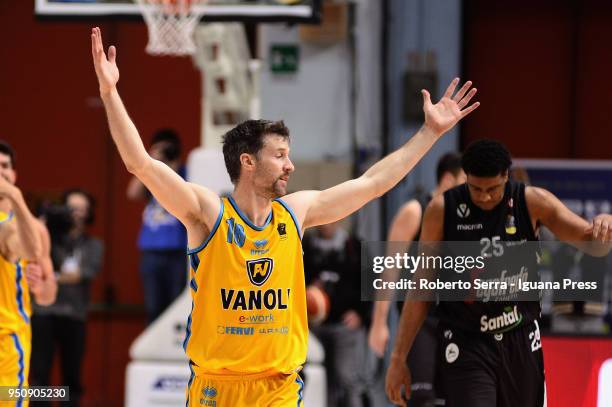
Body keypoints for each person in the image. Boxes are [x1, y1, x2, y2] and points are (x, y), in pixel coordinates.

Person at [91, 26, 479, 406]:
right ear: (247, 161)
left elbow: (373, 182)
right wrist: (110, 93)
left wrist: (429, 132)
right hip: (216, 385)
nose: (290, 165)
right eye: (279, 156)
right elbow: (139, 163)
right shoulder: (208, 214)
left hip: (278, 387)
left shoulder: (296, 212)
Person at [385, 139, 612, 407]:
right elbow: (420, 287)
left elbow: (591, 244)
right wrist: (398, 357)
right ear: (465, 178)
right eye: (475, 188)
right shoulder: (441, 210)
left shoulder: (532, 202)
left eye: (492, 189)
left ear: (506, 176)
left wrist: (605, 226)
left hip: (520, 338)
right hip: (467, 341)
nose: (483, 196)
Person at [369, 152, 464, 407]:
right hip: (420, 322)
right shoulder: (414, 210)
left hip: (453, 320)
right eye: (464, 181)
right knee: (421, 398)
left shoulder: (463, 218)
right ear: (447, 179)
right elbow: (388, 268)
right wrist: (379, 323)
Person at [30, 188, 103, 407]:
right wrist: (44, 226)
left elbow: (84, 273)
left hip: (74, 316)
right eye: (71, 209)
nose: (76, 214)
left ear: (89, 213)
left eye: (82, 209)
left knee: (71, 380)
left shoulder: (93, 244)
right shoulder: (48, 239)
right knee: (39, 377)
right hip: (44, 314)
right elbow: (36, 262)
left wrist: (52, 275)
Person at [0, 141, 56, 405]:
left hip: (6, 346)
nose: (1, 173)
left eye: (5, 166)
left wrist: (39, 287)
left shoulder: (32, 228)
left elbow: (47, 295)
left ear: (14, 175)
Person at [303, 221, 370, 407]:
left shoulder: (354, 247)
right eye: (322, 220)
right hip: (313, 326)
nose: (326, 224)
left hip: (343, 326)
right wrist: (308, 292)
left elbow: (370, 284)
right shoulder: (305, 247)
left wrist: (361, 314)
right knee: (318, 376)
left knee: (345, 376)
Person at [126, 129, 187, 324]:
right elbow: (132, 193)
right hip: (151, 251)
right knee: (153, 306)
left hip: (177, 252)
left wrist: (172, 165)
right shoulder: (150, 174)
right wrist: (148, 162)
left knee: (176, 303)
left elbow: (184, 190)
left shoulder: (185, 171)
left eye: (167, 149)